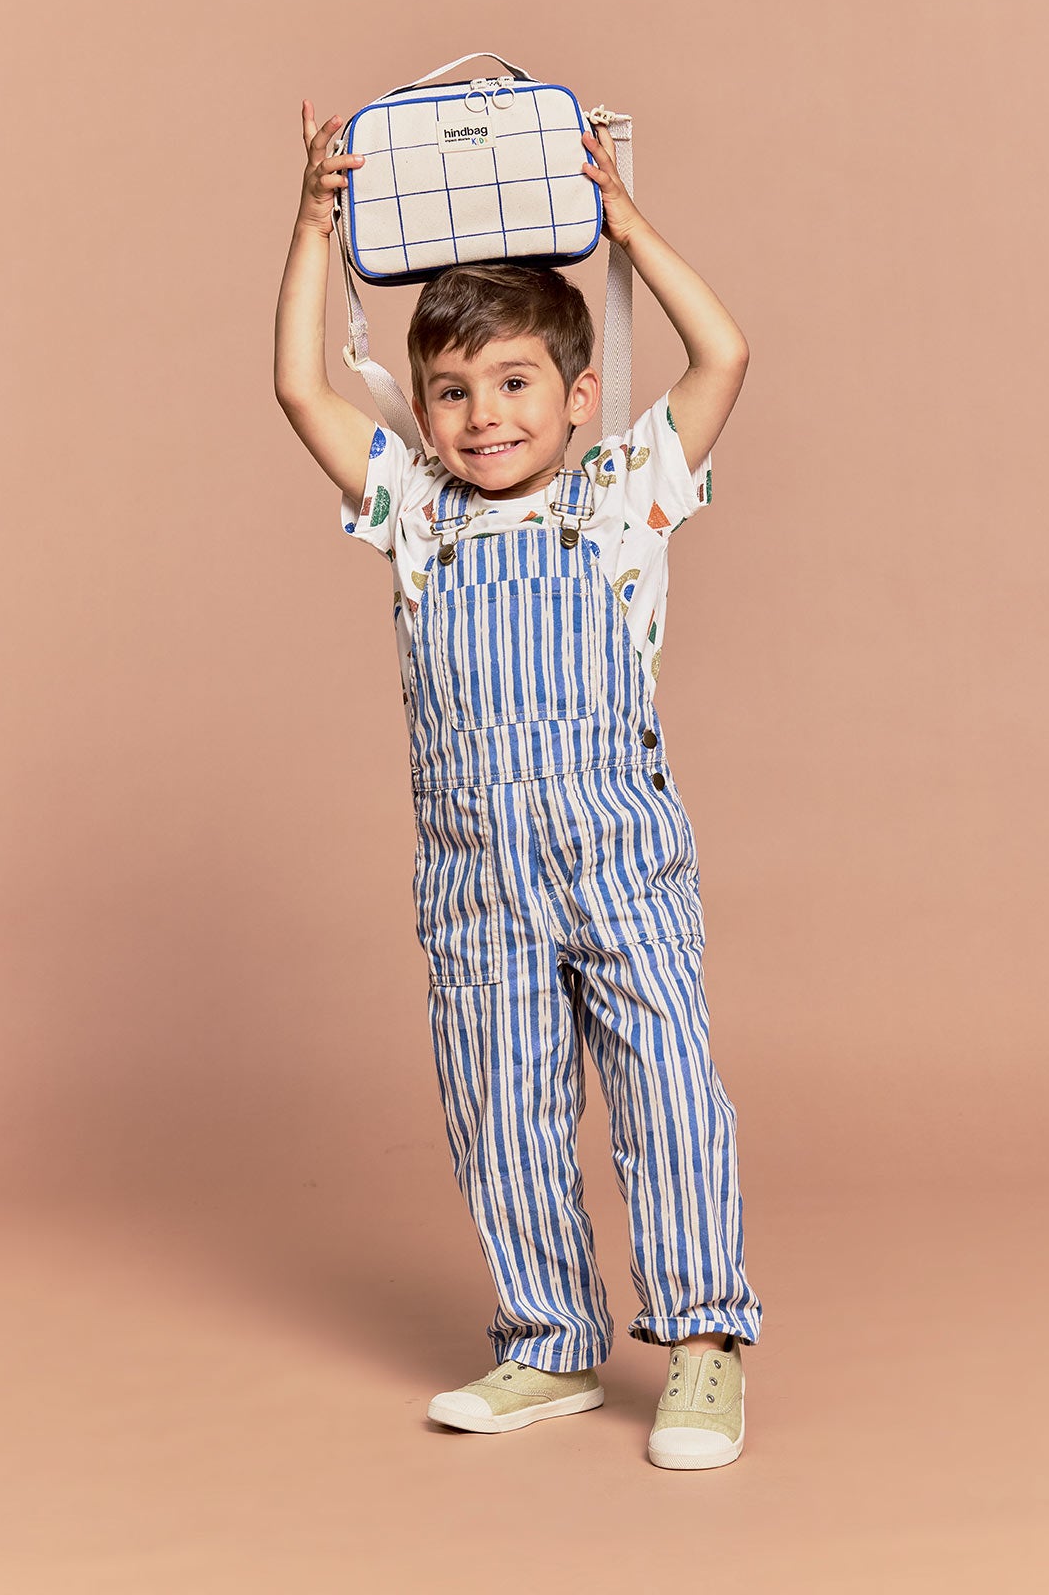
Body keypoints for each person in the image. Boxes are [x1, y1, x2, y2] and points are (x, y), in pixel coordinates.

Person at [274, 98, 764, 1472]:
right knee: (501, 1106)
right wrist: (313, 224)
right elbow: (302, 389)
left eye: (513, 384)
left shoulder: (622, 496)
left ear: (578, 395)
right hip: (475, 879)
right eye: (452, 391)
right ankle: (548, 1339)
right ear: (422, 408)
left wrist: (628, 225)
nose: (483, 415)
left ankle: (704, 1344)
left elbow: (725, 353)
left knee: (667, 1088)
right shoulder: (414, 514)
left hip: (619, 863)